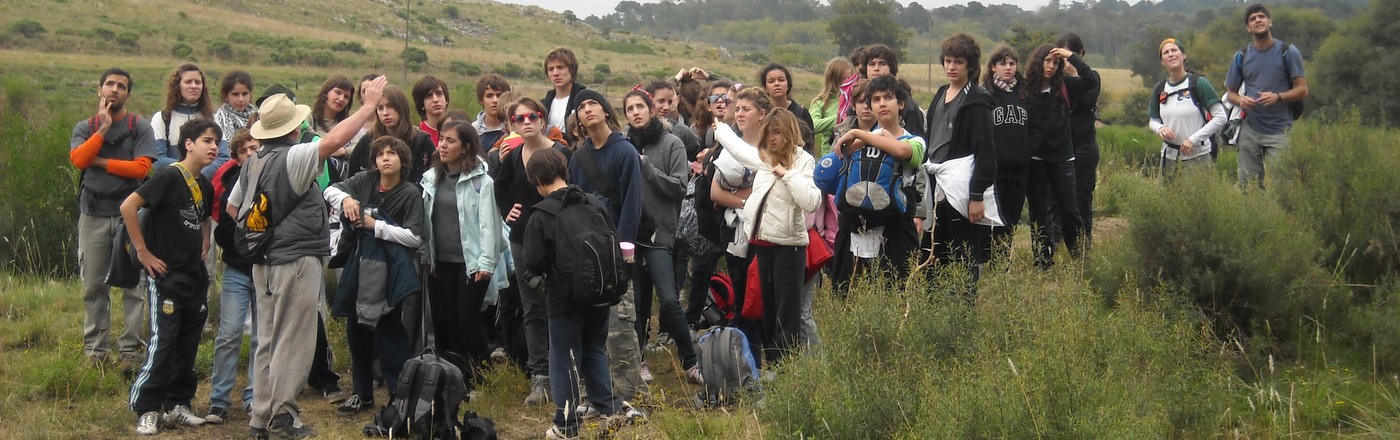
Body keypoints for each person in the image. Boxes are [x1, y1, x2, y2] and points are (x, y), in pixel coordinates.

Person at [226, 75, 386, 439]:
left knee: (266, 338)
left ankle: (260, 418)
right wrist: (367, 107)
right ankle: (283, 418)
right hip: (295, 262)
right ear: (294, 127)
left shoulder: (254, 162)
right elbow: (334, 140)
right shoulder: (294, 157)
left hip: (262, 261)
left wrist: (267, 233)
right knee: (294, 339)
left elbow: (235, 208)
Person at [521, 148, 639, 440]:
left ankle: (566, 424)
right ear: (564, 170)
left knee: (564, 357)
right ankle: (608, 407)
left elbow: (533, 261)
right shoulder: (594, 202)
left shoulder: (542, 213)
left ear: (536, 179)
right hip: (602, 290)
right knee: (594, 350)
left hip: (564, 297)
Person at [124, 119, 219, 435]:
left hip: (193, 277)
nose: (213, 147)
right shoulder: (168, 176)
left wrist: (205, 240)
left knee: (187, 345)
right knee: (163, 344)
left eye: (216, 142)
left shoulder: (203, 184)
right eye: (207, 140)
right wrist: (143, 252)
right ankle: (147, 408)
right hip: (165, 276)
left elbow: (204, 218)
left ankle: (178, 404)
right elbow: (128, 206)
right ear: (188, 144)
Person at [325, 136, 425, 416]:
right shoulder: (364, 181)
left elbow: (413, 237)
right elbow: (329, 191)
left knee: (389, 332)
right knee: (356, 330)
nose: (385, 158)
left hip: (391, 271)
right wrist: (346, 198)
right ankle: (362, 393)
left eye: (392, 153)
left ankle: (399, 396)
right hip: (360, 266)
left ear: (402, 161)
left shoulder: (409, 193)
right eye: (380, 154)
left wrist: (375, 225)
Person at [716, 106, 821, 363]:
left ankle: (788, 373)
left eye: (777, 132)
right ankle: (774, 367)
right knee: (767, 310)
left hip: (789, 248)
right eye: (768, 133)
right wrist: (720, 129)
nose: (772, 139)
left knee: (788, 315)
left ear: (789, 132)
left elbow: (811, 201)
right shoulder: (764, 158)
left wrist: (787, 175)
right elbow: (739, 150)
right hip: (760, 245)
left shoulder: (804, 160)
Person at [69, 67, 155, 376]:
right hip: (92, 214)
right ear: (99, 90)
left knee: (133, 285)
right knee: (93, 285)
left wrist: (102, 161)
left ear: (128, 94)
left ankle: (130, 350)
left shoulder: (139, 127)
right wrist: (102, 129)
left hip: (129, 217)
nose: (114, 90)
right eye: (109, 84)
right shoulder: (86, 126)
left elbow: (142, 169)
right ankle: (96, 350)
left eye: (121, 86)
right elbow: (79, 160)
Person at [566, 89, 647, 401]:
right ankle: (596, 393)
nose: (587, 110)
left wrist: (625, 252)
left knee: (621, 325)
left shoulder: (624, 152)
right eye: (581, 106)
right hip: (587, 254)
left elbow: (632, 205)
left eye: (592, 104)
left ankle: (628, 392)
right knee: (590, 327)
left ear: (605, 111)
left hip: (615, 253)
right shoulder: (577, 159)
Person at [493, 97, 572, 405]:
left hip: (558, 242)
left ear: (542, 120)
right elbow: (499, 187)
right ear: (512, 124)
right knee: (532, 308)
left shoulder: (561, 153)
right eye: (518, 118)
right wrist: (506, 211)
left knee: (561, 305)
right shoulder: (511, 158)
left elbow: (574, 193)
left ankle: (563, 369)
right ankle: (539, 376)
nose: (525, 122)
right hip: (522, 240)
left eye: (532, 116)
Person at [620, 89, 703, 384]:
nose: (635, 113)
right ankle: (639, 360)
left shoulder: (672, 143)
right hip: (631, 235)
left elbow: (680, 187)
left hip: (661, 235)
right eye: (629, 109)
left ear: (652, 109)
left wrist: (648, 168)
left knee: (668, 299)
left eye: (640, 106)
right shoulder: (625, 144)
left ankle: (691, 362)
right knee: (638, 303)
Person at [420, 120, 501, 387]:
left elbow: (490, 224)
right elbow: (429, 222)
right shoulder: (432, 178)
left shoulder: (482, 181)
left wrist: (486, 263)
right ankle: (458, 376)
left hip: (472, 263)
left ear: (466, 147)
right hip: (441, 261)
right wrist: (429, 257)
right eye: (441, 139)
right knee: (448, 320)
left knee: (468, 320)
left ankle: (484, 375)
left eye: (450, 141)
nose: (442, 145)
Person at [831, 75, 926, 290]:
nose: (882, 103)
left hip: (895, 235)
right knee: (847, 299)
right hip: (855, 231)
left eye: (888, 97)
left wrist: (856, 133)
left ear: (900, 104)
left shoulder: (915, 141)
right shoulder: (858, 142)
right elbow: (832, 172)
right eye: (875, 99)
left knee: (894, 299)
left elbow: (901, 151)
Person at [920, 34, 997, 291]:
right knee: (933, 252)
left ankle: (962, 314)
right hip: (937, 183)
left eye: (959, 62)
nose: (951, 67)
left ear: (971, 66)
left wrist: (976, 195)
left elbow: (985, 152)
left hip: (962, 186)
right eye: (948, 61)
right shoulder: (941, 93)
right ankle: (933, 312)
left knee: (963, 255)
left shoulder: (977, 100)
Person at [205, 130, 262, 424]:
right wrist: (247, 242)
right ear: (237, 156)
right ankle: (219, 401)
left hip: (265, 270)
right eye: (245, 150)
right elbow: (224, 232)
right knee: (229, 333)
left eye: (256, 147)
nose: (251, 154)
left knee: (261, 337)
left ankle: (254, 397)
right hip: (237, 269)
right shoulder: (229, 186)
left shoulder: (272, 181)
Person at [1225, 2, 1308, 189]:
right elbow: (1230, 94)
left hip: (1280, 131)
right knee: (1249, 188)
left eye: (1261, 16)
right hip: (1250, 130)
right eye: (1252, 19)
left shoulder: (1287, 52)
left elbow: (1302, 89)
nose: (1258, 20)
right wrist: (1242, 100)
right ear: (1248, 27)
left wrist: (1277, 97)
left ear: (1270, 22)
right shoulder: (1241, 56)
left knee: (1283, 188)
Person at [1025, 44, 1083, 270]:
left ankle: (1080, 258)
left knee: (1069, 209)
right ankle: (1043, 262)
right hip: (1036, 158)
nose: (1050, 66)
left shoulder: (1064, 86)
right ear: (1038, 61)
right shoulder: (1026, 89)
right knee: (1038, 212)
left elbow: (1090, 80)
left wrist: (1071, 57)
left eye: (1055, 62)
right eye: (1047, 61)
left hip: (1062, 157)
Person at [983, 45, 1033, 262]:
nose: (1008, 68)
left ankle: (1002, 265)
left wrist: (1029, 150)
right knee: (994, 218)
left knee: (1011, 218)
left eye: (1012, 63)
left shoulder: (1025, 93)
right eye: (1003, 63)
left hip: (1020, 167)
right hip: (995, 169)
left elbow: (1037, 126)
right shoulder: (986, 94)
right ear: (993, 67)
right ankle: (985, 261)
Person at [1150, 38, 1228, 174]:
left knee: (1197, 195)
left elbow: (1221, 117)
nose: (1171, 54)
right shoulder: (1160, 88)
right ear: (1162, 61)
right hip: (1168, 157)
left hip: (1198, 156)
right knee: (1166, 195)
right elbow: (1153, 120)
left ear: (1183, 56)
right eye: (1166, 52)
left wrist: (1193, 140)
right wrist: (1160, 128)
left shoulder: (1198, 83)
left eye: (1174, 50)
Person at [1056, 33, 1102, 249]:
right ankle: (1055, 244)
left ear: (1080, 54)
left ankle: (1084, 243)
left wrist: (1074, 70)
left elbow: (1086, 98)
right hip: (1060, 146)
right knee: (1055, 197)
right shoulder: (1054, 81)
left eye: (1071, 56)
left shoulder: (1092, 77)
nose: (1065, 62)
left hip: (1084, 145)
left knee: (1082, 195)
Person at [347, 85, 435, 183]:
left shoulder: (421, 141)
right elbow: (352, 179)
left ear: (401, 108)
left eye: (390, 106)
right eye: (380, 108)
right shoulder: (367, 141)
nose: (385, 113)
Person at [152, 63, 216, 171]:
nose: (194, 86)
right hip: (174, 183)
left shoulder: (213, 119)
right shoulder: (162, 118)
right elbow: (158, 160)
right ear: (177, 86)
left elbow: (223, 157)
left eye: (198, 82)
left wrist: (201, 175)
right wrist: (190, 170)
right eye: (188, 82)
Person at [862, 44, 926, 139]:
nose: (876, 68)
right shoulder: (858, 98)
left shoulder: (907, 104)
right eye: (871, 64)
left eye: (882, 64)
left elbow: (916, 141)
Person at [210, 70, 255, 177]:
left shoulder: (257, 117)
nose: (241, 99)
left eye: (245, 94)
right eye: (235, 94)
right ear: (226, 96)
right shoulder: (218, 120)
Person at [642, 80, 703, 159]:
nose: (666, 107)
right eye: (661, 101)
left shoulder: (680, 131)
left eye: (670, 102)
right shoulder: (634, 133)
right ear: (648, 101)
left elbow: (700, 155)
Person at [758, 63, 816, 147]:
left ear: (788, 85)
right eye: (771, 81)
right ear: (765, 88)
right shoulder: (762, 114)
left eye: (781, 80)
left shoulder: (801, 112)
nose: (777, 84)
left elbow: (809, 145)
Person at [810, 57, 856, 155]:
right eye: (844, 78)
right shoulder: (820, 102)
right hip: (829, 153)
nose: (847, 82)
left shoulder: (854, 100)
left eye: (849, 78)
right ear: (834, 79)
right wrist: (840, 118)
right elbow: (812, 125)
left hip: (851, 151)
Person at [542, 47, 587, 145]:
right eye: (551, 69)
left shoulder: (585, 101)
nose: (555, 73)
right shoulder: (543, 104)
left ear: (572, 70)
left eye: (560, 67)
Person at [473, 74, 512, 151]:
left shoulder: (514, 127)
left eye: (499, 95)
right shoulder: (473, 130)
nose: (495, 100)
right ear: (481, 100)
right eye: (489, 96)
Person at [412, 75, 451, 146]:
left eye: (439, 94)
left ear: (446, 100)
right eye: (429, 96)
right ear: (422, 105)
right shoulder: (415, 136)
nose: (435, 100)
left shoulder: (458, 131)